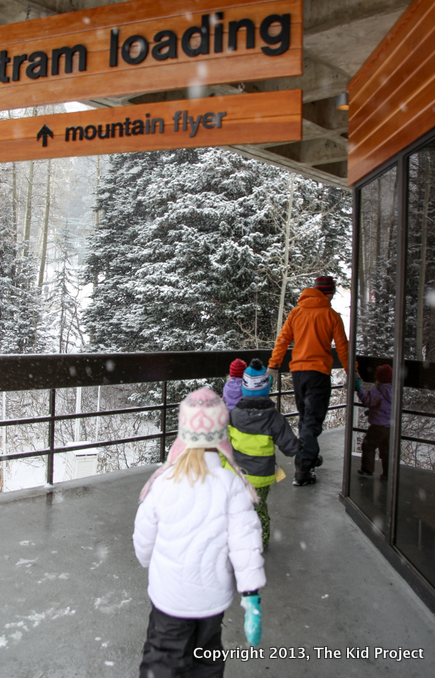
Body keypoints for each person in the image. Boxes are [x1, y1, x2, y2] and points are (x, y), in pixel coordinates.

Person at [133, 387, 266, 678]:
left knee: (163, 658)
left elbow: (144, 539)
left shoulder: (164, 482)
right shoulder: (232, 485)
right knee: (206, 659)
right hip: (211, 600)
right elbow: (246, 544)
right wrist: (251, 594)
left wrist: (148, 561)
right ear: (221, 436)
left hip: (170, 597)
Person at [267, 275, 349, 487]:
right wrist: (352, 372)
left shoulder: (296, 313)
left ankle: (310, 457)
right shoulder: (331, 316)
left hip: (298, 374)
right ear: (328, 293)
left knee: (306, 417)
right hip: (318, 374)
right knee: (312, 421)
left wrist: (273, 366)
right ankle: (303, 469)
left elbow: (283, 340)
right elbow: (343, 348)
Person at [227, 358, 299, 547]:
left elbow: (220, 441)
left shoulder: (232, 415)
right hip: (261, 475)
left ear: (244, 388)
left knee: (236, 507)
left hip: (237, 474)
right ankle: (261, 539)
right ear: (266, 389)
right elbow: (290, 446)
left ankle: (236, 538)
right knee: (259, 508)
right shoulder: (274, 418)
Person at [356, 364, 392, 480]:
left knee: (368, 446)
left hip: (378, 426)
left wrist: (359, 389)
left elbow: (367, 401)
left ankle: (367, 470)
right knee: (386, 451)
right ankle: (388, 474)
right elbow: (386, 407)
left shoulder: (377, 392)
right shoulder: (394, 391)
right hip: (390, 426)